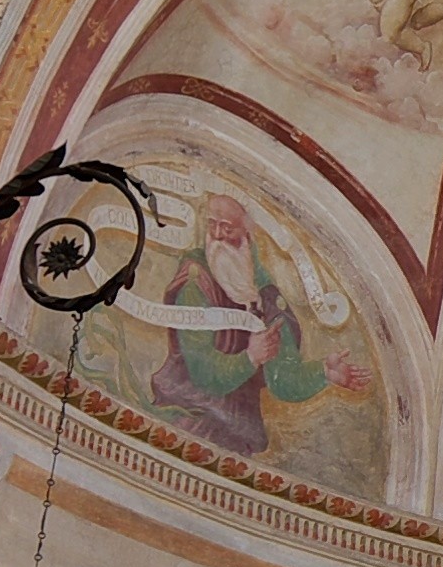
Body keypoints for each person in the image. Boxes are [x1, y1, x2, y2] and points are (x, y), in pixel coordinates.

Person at [140, 197, 372, 459]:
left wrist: (322, 373)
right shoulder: (196, 283)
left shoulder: (267, 296)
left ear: (247, 236)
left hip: (238, 434)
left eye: (228, 229)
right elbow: (202, 372)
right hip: (187, 416)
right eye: (212, 226)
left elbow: (282, 380)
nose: (218, 237)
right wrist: (250, 358)